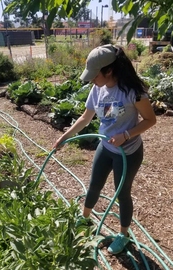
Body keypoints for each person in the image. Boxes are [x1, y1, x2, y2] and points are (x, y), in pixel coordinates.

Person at [53, 44, 156, 254]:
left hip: (128, 152)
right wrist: (64, 137)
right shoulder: (97, 89)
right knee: (94, 186)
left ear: (109, 70)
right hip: (106, 146)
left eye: (94, 75)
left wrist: (126, 135)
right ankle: (85, 220)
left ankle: (123, 235)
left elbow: (150, 120)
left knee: (122, 193)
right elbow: (85, 117)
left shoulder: (133, 92)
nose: (91, 79)